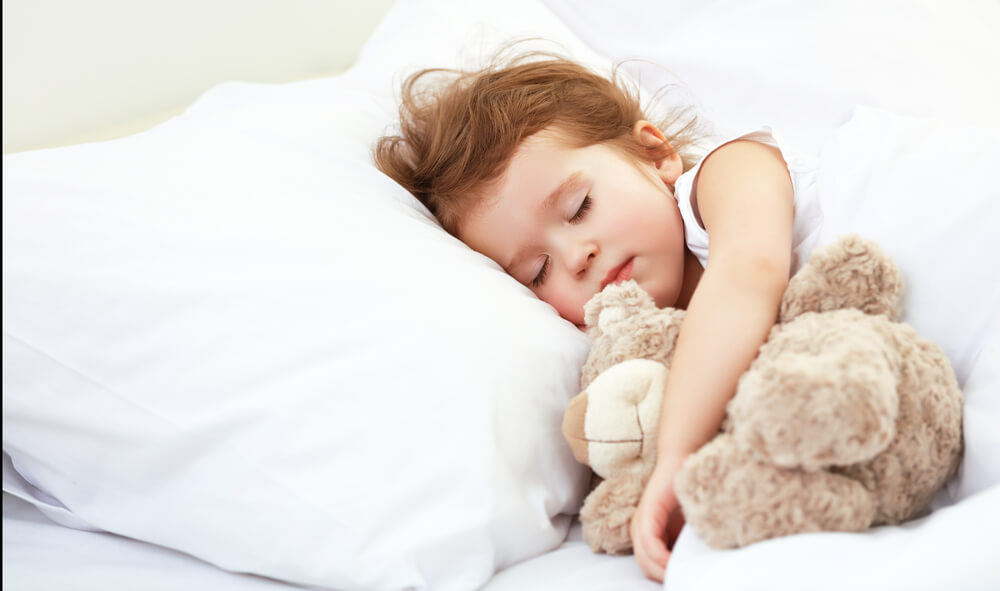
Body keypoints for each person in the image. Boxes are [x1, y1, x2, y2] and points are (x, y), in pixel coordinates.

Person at [374, 51, 822, 582]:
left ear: (655, 154)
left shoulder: (728, 173)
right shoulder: (644, 346)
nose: (576, 257)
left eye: (579, 207)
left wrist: (675, 455)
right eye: (538, 272)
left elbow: (749, 272)